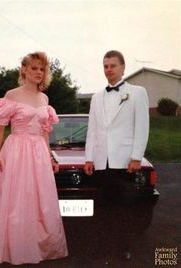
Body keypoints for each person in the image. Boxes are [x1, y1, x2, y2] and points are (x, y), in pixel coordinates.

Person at [0, 52, 68, 265]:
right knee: (16, 199)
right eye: (34, 68)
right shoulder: (12, 95)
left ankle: (36, 245)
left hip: (38, 153)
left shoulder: (44, 98)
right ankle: (15, 247)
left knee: (39, 200)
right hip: (17, 151)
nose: (38, 72)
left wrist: (50, 158)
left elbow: (45, 132)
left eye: (42, 69)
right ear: (24, 70)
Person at [84, 50, 149, 261]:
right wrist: (88, 158)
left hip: (125, 162)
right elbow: (92, 130)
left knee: (123, 208)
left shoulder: (138, 92)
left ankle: (123, 249)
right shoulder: (96, 97)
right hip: (102, 162)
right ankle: (103, 249)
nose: (108, 70)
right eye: (105, 66)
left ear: (122, 68)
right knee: (103, 208)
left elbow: (142, 127)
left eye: (113, 65)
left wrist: (136, 156)